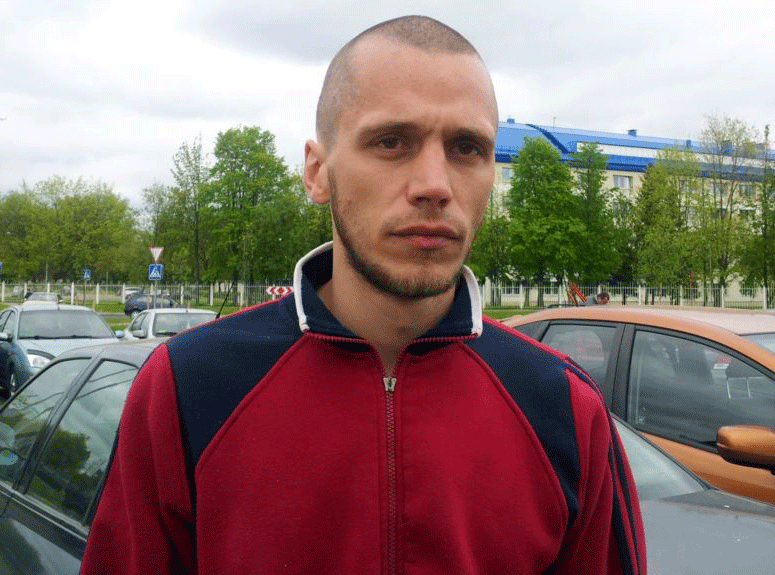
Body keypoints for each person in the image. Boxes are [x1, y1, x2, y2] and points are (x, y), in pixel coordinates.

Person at [80, 15, 645, 575]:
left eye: (466, 147)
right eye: (391, 142)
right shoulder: (188, 388)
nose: (435, 185)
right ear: (317, 172)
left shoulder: (565, 408)